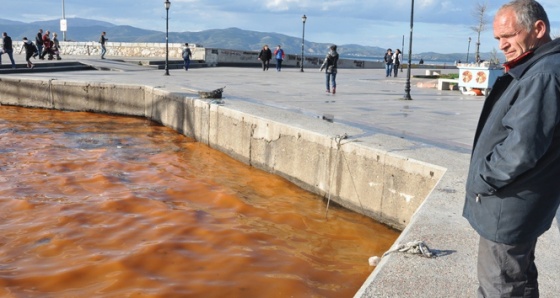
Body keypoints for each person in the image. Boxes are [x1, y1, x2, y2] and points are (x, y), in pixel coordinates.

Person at [462, 1, 560, 297]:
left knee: (501, 286)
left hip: (509, 207)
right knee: (519, 280)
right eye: (497, 39)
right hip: (519, 206)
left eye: (508, 36)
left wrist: (482, 178)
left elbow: (521, 148)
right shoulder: (539, 67)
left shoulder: (542, 74)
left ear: (538, 29)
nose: (502, 45)